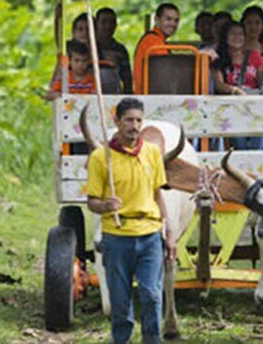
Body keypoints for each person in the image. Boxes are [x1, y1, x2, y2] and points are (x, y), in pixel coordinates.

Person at [86, 97, 176, 344]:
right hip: (117, 236)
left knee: (152, 294)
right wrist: (105, 205)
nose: (134, 126)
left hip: (149, 235)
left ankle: (152, 339)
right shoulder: (100, 157)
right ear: (117, 122)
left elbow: (158, 194)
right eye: (128, 120)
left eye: (138, 120)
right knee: (120, 301)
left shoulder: (152, 153)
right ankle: (121, 340)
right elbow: (91, 201)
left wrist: (169, 233)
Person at [212, 21, 263, 150]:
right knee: (239, 144)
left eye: (241, 34)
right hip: (232, 106)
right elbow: (219, 84)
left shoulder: (254, 56)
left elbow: (262, 80)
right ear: (225, 37)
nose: (238, 37)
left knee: (258, 141)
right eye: (233, 34)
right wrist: (235, 90)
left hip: (254, 105)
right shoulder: (218, 60)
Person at [133, 3, 180, 94]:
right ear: (156, 20)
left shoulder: (160, 41)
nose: (173, 24)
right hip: (149, 97)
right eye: (168, 19)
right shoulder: (152, 40)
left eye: (176, 20)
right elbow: (168, 70)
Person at [96, 8, 132, 94]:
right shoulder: (88, 46)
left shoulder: (120, 50)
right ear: (96, 24)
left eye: (112, 23)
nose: (108, 26)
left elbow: (127, 80)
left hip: (113, 94)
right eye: (104, 22)